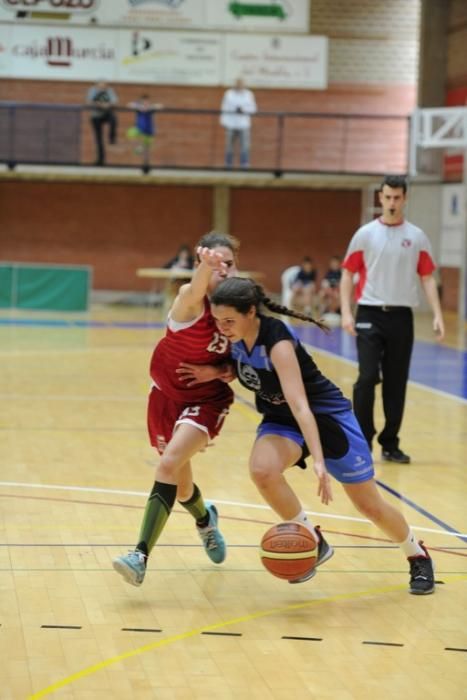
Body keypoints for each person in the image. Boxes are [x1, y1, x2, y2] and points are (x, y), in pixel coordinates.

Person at [179, 277, 436, 595]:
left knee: (369, 505)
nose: (222, 327)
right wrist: (216, 372)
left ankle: (417, 554)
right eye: (218, 321)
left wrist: (318, 463)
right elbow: (245, 370)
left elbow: (301, 405)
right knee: (263, 470)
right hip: (281, 421)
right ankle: (314, 540)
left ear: (251, 313)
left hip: (326, 420)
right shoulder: (232, 338)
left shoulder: (278, 342)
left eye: (229, 321)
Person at [113, 232, 240, 587]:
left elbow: (239, 368)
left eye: (229, 263)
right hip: (165, 398)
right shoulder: (189, 302)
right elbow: (197, 286)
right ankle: (205, 519)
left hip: (207, 400)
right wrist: (205, 265)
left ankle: (139, 556)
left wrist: (215, 371)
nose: (223, 270)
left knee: (167, 463)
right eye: (216, 264)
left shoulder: (239, 313)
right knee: (181, 487)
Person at [340, 175, 445, 464]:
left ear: (405, 198)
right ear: (380, 197)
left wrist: (437, 314)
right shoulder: (365, 234)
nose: (392, 202)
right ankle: (362, 439)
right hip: (370, 313)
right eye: (387, 197)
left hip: (402, 316)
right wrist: (347, 312)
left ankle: (390, 443)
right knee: (367, 377)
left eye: (397, 197)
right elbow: (348, 274)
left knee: (396, 382)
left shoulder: (417, 236)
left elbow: (426, 277)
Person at [220, 78, 257, 168]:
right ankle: (228, 164)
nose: (239, 85)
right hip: (230, 124)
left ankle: (244, 164)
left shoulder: (249, 94)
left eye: (241, 84)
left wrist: (243, 110)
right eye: (238, 84)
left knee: (245, 145)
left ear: (244, 85)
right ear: (235, 84)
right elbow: (224, 107)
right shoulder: (228, 94)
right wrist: (223, 121)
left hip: (243, 124)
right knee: (229, 145)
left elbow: (253, 109)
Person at [86, 80, 118, 166]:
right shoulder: (92, 90)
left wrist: (107, 105)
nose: (102, 88)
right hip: (96, 116)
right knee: (99, 139)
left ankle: (112, 138)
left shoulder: (109, 90)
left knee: (113, 119)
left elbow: (114, 101)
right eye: (100, 86)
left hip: (106, 114)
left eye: (104, 86)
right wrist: (100, 104)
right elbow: (89, 101)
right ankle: (100, 160)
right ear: (97, 86)